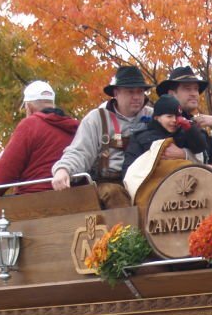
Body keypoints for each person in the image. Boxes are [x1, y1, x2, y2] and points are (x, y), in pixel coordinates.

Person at [0, 80, 79, 245]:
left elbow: (7, 169)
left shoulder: (30, 124)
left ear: (29, 107)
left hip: (33, 203)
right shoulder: (75, 128)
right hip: (69, 201)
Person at [51, 64, 154, 207]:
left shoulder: (154, 116)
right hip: (109, 183)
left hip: (146, 182)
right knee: (113, 193)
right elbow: (80, 151)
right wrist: (63, 169)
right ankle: (127, 230)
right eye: (131, 92)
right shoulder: (97, 119)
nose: (137, 97)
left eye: (140, 92)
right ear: (116, 93)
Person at [155, 65, 212, 175]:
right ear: (171, 94)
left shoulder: (196, 126)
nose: (194, 93)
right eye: (187, 89)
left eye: (196, 89)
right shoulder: (165, 124)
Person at [120, 94, 207, 177]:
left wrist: (189, 128)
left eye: (177, 117)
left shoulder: (183, 135)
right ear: (157, 117)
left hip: (183, 181)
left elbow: (200, 148)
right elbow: (129, 169)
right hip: (154, 185)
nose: (174, 120)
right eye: (169, 116)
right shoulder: (140, 137)